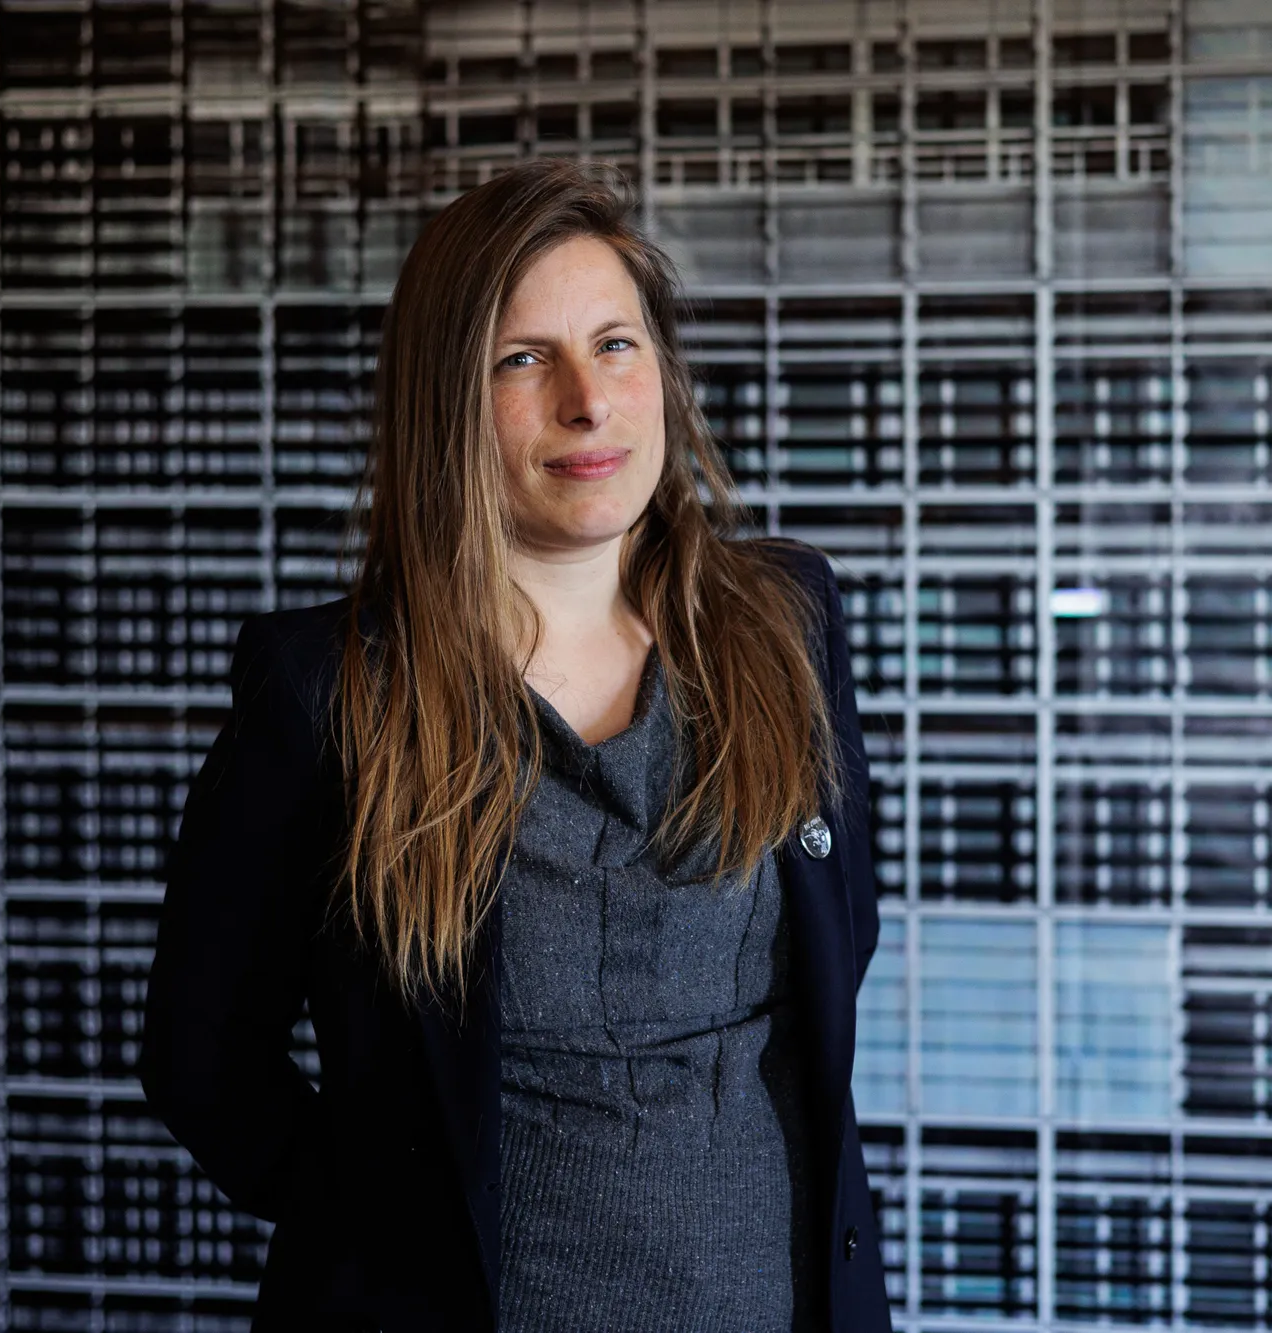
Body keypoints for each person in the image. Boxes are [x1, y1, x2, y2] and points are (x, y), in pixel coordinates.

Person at [139, 159, 888, 1333]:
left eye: (615, 345)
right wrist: (387, 1243)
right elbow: (201, 1058)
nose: (587, 402)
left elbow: (840, 941)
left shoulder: (785, 625)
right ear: (445, 401)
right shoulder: (329, 693)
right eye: (522, 360)